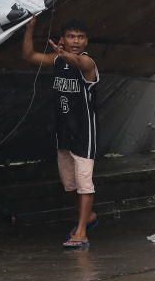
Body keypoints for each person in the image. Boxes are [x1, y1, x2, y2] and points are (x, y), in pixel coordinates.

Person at [21, 16, 99, 249]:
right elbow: (29, 56)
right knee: (70, 186)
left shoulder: (88, 63)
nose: (76, 41)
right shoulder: (56, 61)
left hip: (84, 133)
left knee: (85, 184)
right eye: (71, 36)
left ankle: (82, 232)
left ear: (86, 42)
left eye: (81, 37)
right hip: (63, 133)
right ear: (63, 39)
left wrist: (63, 53)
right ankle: (89, 217)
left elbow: (79, 64)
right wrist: (29, 29)